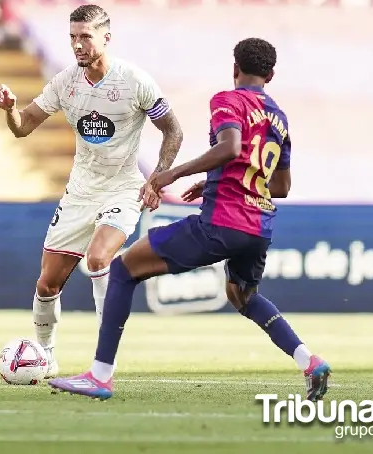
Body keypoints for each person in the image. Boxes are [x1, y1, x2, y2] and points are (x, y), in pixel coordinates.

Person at [47, 38, 330, 401]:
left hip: (223, 222)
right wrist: (214, 181)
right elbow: (281, 185)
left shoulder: (228, 100)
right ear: (270, 75)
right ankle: (310, 361)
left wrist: (173, 174)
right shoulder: (279, 118)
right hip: (258, 226)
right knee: (242, 295)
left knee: (123, 269)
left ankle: (100, 376)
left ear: (234, 68)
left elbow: (230, 147)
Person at [0, 4, 183, 377]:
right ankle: (45, 356)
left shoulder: (135, 81)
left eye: (85, 37)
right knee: (47, 283)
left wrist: (157, 178)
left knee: (98, 259)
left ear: (106, 38)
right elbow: (24, 126)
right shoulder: (66, 82)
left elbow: (172, 131)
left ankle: (103, 358)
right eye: (73, 38)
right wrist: (11, 110)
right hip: (80, 192)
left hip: (124, 188)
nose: (77, 45)